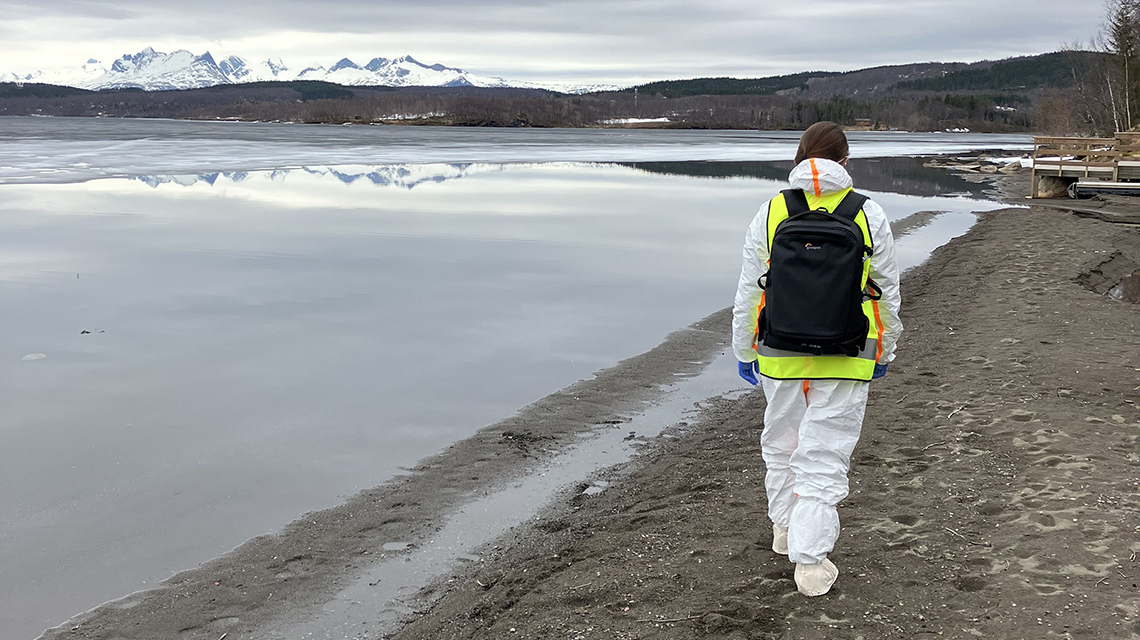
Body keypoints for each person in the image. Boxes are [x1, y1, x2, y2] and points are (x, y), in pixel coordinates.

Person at [730, 121, 902, 597]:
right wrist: (883, 351)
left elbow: (750, 289)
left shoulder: (771, 210)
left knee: (782, 444)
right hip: (849, 353)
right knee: (824, 455)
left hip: (779, 351)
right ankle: (810, 562)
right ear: (845, 161)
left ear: (799, 157)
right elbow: (886, 294)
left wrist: (745, 350)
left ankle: (785, 532)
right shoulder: (868, 212)